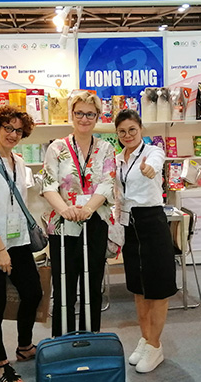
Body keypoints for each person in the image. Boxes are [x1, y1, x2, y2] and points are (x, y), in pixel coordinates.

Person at [42, 91, 116, 335]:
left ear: (97, 117)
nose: (84, 119)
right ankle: (62, 340)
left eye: (90, 114)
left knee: (92, 285)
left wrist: (87, 209)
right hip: (63, 224)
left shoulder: (106, 148)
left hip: (95, 222)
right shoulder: (56, 147)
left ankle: (89, 338)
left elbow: (107, 183)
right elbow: (48, 185)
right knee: (64, 285)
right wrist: (66, 210)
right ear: (72, 115)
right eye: (79, 113)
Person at [0, 106, 42, 382]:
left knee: (33, 292)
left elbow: (19, 203)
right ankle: (0, 363)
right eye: (8, 128)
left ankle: (24, 346)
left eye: (18, 130)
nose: (13, 134)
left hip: (19, 241)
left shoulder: (18, 161)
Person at [114, 109, 177, 373]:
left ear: (141, 129)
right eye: (122, 131)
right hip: (130, 225)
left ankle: (155, 344)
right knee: (138, 288)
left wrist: (151, 169)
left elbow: (156, 162)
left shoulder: (152, 152)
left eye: (132, 129)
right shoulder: (118, 159)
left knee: (157, 288)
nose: (127, 135)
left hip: (152, 222)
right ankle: (145, 338)